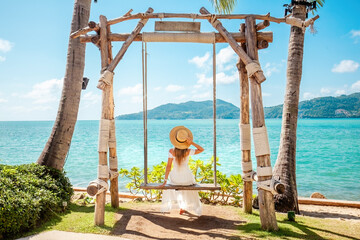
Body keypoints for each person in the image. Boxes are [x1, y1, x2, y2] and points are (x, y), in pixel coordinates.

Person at [160, 126, 204, 216]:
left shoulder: (171, 151)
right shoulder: (188, 151)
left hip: (175, 178)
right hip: (186, 178)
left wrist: (165, 181)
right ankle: (182, 207)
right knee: (187, 185)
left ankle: (182, 207)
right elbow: (201, 149)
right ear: (185, 142)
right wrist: (191, 143)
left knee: (177, 187)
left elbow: (168, 166)